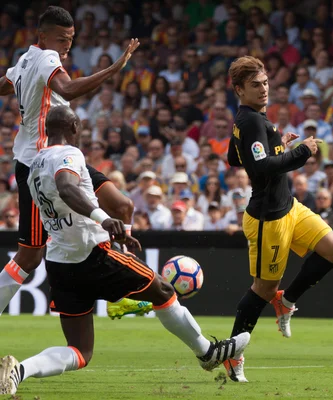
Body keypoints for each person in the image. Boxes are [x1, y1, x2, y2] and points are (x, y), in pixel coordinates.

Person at [0, 106, 250, 396]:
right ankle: (207, 353)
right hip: (92, 254)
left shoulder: (34, 166)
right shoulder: (68, 154)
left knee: (80, 351)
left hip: (59, 262)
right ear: (73, 127)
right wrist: (102, 218)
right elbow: (67, 188)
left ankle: (19, 370)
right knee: (164, 291)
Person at [0, 6, 149, 319]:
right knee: (30, 256)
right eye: (61, 38)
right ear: (42, 36)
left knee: (121, 207)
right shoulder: (45, 58)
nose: (67, 45)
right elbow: (66, 88)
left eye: (70, 39)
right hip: (37, 166)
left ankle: (118, 294)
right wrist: (114, 70)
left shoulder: (23, 62)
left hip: (64, 158)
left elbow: (5, 84)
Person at [225, 56, 333, 382]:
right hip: (268, 218)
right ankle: (233, 354)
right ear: (239, 89)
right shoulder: (249, 121)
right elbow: (260, 167)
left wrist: (278, 145)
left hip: (289, 206)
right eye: (255, 85)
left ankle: (287, 301)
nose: (264, 89)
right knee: (262, 289)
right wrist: (302, 151)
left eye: (265, 83)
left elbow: (233, 155)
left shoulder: (253, 119)